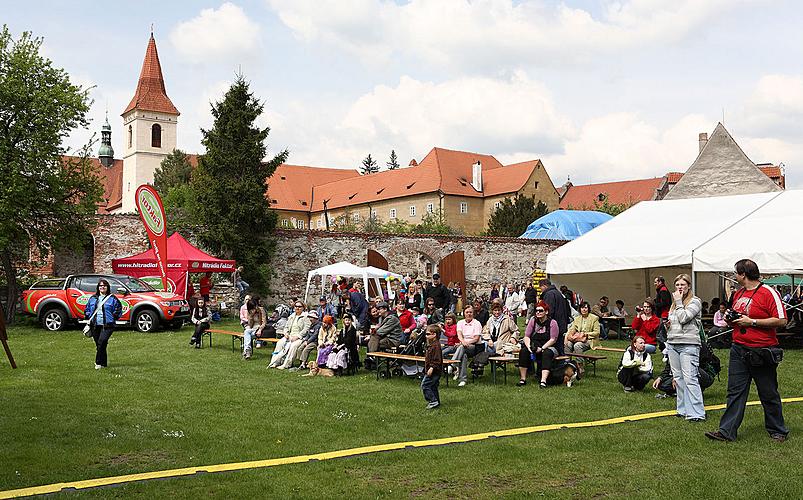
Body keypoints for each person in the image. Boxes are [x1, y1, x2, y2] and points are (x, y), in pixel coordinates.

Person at [706, 259, 789, 443]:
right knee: (735, 391)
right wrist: (730, 319)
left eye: (736, 273)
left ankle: (778, 430)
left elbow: (782, 319)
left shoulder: (769, 293)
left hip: (762, 350)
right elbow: (737, 316)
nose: (734, 276)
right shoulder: (738, 294)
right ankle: (727, 431)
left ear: (743, 274)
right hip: (739, 349)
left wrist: (751, 322)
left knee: (768, 392)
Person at [665, 274, 705, 422]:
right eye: (677, 285)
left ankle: (696, 413)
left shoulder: (695, 301)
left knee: (690, 379)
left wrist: (678, 301)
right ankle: (682, 410)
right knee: (678, 379)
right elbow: (676, 320)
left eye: (682, 284)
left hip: (689, 345)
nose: (679, 287)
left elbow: (684, 318)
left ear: (689, 286)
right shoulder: (675, 304)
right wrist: (668, 325)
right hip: (673, 343)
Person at [518, 301, 559, 388]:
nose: (538, 312)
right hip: (534, 345)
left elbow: (553, 339)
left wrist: (542, 348)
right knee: (524, 351)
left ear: (546, 312)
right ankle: (523, 379)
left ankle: (543, 381)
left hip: (549, 346)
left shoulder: (553, 323)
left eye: (541, 311)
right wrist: (529, 347)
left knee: (546, 353)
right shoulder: (533, 320)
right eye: (536, 311)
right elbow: (526, 336)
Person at [84, 279, 123, 369]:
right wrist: (88, 316)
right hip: (94, 325)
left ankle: (98, 363)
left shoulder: (112, 298)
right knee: (100, 345)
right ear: (98, 287)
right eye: (100, 286)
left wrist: (113, 317)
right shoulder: (93, 298)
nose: (102, 287)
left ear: (107, 287)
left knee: (102, 342)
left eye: (104, 286)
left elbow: (118, 309)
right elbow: (87, 308)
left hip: (108, 326)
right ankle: (104, 364)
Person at [268, 302, 310, 368]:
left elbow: (306, 329)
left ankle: (287, 364)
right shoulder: (292, 316)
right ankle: (275, 362)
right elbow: (286, 327)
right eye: (296, 306)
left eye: (299, 306)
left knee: (293, 346)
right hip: (290, 335)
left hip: (300, 337)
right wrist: (286, 333)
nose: (297, 308)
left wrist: (298, 336)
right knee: (279, 343)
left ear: (303, 308)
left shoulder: (306, 317)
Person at [452, 305, 483, 387]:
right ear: (464, 313)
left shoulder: (477, 323)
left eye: (470, 312)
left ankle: (453, 364)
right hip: (463, 346)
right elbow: (459, 335)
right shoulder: (460, 322)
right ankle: (463, 380)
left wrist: (465, 343)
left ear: (473, 313)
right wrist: (463, 342)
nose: (469, 314)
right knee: (464, 356)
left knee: (462, 347)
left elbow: (476, 339)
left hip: (474, 346)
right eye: (467, 312)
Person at [540, 279, 571, 353]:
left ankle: (558, 362)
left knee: (554, 347)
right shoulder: (558, 293)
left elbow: (548, 311)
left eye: (540, 287)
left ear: (544, 286)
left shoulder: (549, 295)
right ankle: (562, 361)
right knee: (559, 346)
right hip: (561, 323)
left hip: (554, 325)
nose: (540, 290)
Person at [422, 324, 443, 409]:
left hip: (434, 370)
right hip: (433, 369)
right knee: (433, 386)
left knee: (425, 385)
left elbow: (437, 359)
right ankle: (436, 401)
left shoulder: (436, 346)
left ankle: (432, 400)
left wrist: (432, 367)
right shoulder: (432, 344)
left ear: (434, 334)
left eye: (428, 334)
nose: (426, 336)